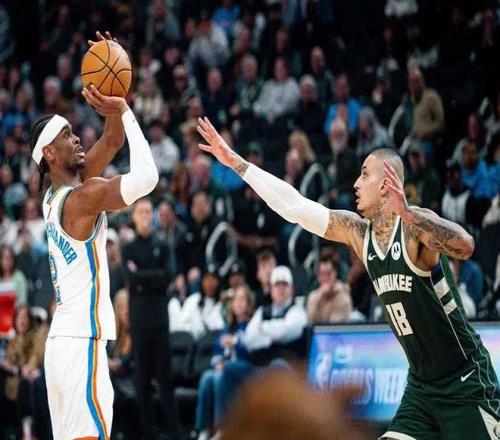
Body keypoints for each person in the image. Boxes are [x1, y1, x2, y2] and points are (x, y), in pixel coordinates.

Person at [196, 115, 499, 439]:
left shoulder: (414, 227)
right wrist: (236, 163)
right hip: (422, 387)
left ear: (386, 183)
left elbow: (466, 246)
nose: (355, 183)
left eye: (364, 174)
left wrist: (408, 213)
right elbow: (294, 206)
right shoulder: (358, 233)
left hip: (464, 380)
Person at [30, 32, 159, 440]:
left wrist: (114, 92)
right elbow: (148, 178)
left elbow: (113, 139)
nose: (77, 138)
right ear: (50, 154)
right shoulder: (81, 199)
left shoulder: (56, 196)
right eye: (67, 135)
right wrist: (127, 110)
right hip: (80, 342)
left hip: (63, 345)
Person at [122, 197, 180, 440]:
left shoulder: (163, 245)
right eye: (141, 211)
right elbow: (130, 280)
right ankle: (149, 433)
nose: (146, 215)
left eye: (149, 211)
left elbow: (169, 276)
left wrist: (143, 278)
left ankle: (175, 434)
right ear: (134, 217)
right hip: (139, 322)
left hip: (160, 320)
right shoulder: (128, 248)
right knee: (142, 381)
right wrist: (153, 278)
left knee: (166, 381)